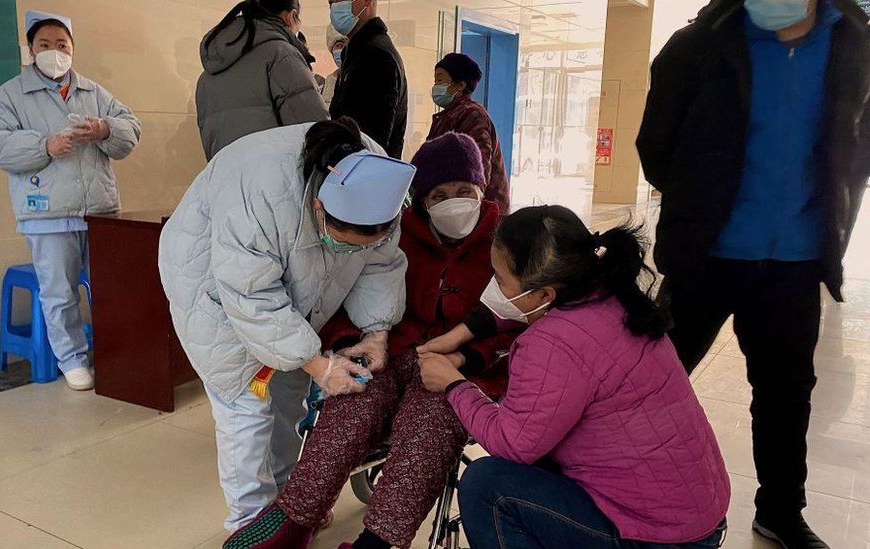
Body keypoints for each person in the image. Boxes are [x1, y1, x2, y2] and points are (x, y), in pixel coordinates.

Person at [636, 1, 870, 546]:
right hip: (706, 255)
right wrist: (703, 200)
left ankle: (781, 512)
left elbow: (857, 141)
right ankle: (614, 490)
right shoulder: (696, 45)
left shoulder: (854, 43)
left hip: (795, 259)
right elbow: (656, 147)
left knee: (787, 396)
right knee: (649, 384)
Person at [223, 133, 518, 549]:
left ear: (481, 189)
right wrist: (348, 344)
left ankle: (379, 541)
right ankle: (296, 517)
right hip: (390, 349)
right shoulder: (390, 231)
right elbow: (344, 292)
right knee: (353, 400)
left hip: (463, 367)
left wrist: (469, 358)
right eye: (440, 194)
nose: (454, 202)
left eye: (464, 192)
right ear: (420, 200)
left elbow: (518, 323)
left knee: (430, 419)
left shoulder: (504, 244)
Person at [418, 206, 731, 548]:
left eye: (501, 279)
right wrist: (463, 334)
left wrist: (453, 383)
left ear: (544, 294)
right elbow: (529, 316)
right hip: (694, 511)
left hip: (658, 535)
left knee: (486, 484)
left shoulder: (551, 343)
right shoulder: (612, 295)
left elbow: (513, 443)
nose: (495, 287)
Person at [158, 118, 416, 534]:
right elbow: (251, 296)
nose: (356, 250)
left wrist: (376, 332)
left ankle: (285, 505)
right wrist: (318, 365)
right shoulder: (258, 185)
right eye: (344, 241)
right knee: (247, 407)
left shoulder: (379, 184)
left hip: (291, 286)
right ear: (319, 206)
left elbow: (381, 263)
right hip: (213, 286)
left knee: (289, 397)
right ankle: (251, 526)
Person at [0, 11, 141, 391]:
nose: (55, 52)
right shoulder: (10, 96)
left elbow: (131, 130)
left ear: (73, 49)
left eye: (62, 45)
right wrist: (44, 145)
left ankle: (116, 354)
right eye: (45, 45)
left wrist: (104, 128)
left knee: (112, 288)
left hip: (99, 211)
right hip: (47, 213)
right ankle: (71, 359)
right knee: (59, 293)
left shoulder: (93, 92)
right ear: (30, 49)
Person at [196, 0, 328, 159]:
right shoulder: (281, 54)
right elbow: (316, 130)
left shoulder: (208, 74)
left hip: (226, 180)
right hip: (275, 178)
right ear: (292, 17)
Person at [427, 53, 511, 213]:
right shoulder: (448, 116)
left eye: (440, 80)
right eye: (435, 81)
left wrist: (464, 211)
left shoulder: (472, 115)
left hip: (481, 213)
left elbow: (477, 169)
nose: (435, 86)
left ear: (459, 85)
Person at [327, 0, 408, 158]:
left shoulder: (376, 55)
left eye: (339, 0)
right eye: (331, 3)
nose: (333, 7)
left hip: (363, 173)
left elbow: (372, 141)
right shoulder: (355, 53)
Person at [322, 25, 347, 106]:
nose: (344, 50)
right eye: (339, 45)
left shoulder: (367, 79)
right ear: (331, 50)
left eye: (349, 45)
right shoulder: (329, 81)